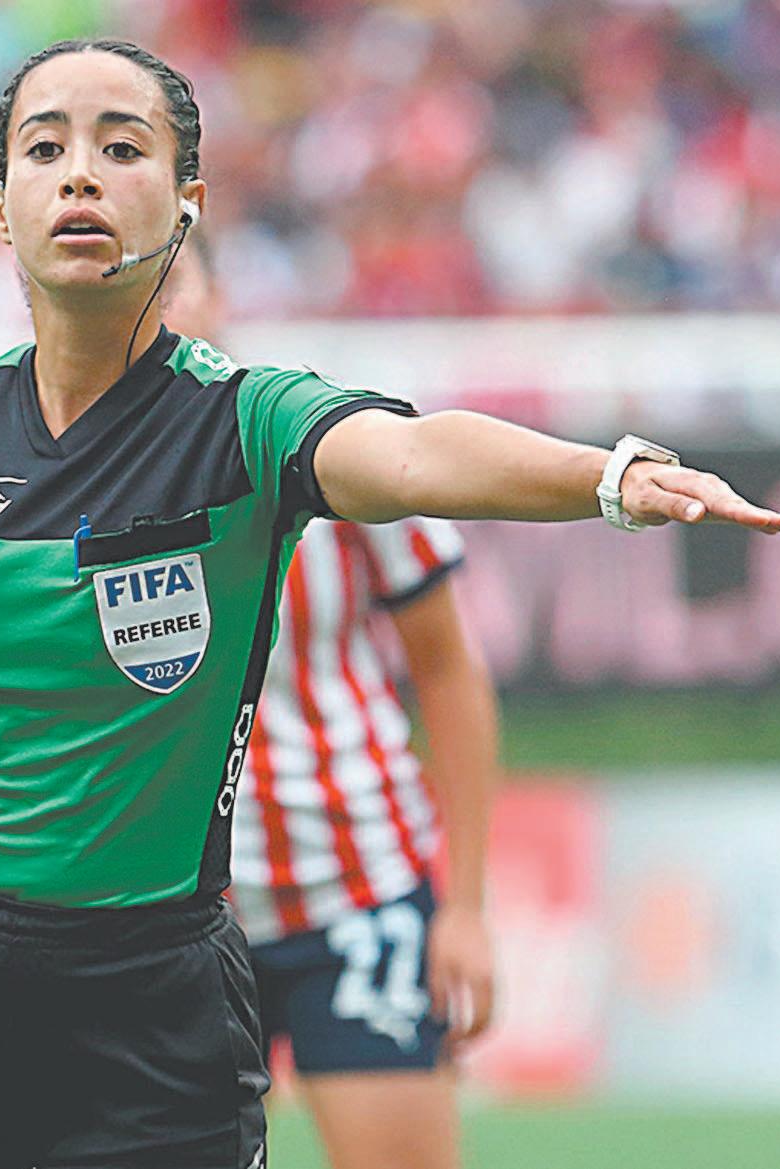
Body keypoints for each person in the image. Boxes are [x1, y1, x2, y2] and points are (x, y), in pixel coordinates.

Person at [0, 38, 780, 1169]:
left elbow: (412, 455)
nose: (80, 172)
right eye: (44, 149)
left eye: (122, 147)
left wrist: (611, 477)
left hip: (151, 1014)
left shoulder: (246, 424)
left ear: (188, 201)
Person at [167, 237, 497, 1169]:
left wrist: (465, 906)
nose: (156, 307)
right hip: (167, 919)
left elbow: (448, 668)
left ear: (219, 294)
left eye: (174, 280)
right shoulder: (66, 474)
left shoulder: (326, 441)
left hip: (354, 889)